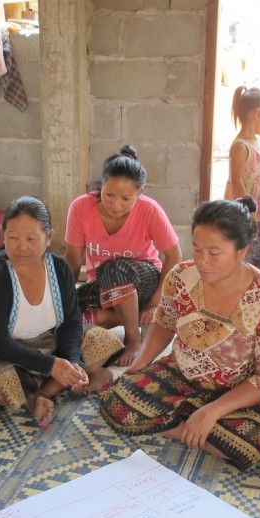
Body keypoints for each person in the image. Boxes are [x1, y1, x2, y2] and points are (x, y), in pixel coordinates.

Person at [100, 198, 260, 470]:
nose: (202, 261)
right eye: (197, 248)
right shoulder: (181, 276)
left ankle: (187, 422)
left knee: (259, 441)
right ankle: (190, 428)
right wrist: (140, 364)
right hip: (180, 375)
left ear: (242, 251)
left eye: (214, 253)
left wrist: (212, 411)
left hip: (235, 392)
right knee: (116, 405)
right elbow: (165, 323)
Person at [0, 196, 124, 427]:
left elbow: (71, 322)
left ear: (49, 237)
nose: (21, 246)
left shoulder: (59, 268)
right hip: (10, 355)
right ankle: (53, 388)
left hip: (52, 343)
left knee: (100, 339)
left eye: (32, 238)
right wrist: (51, 365)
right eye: (12, 237)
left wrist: (72, 361)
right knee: (2, 380)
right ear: (2, 236)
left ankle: (44, 392)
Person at [64, 145, 182, 366]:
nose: (116, 205)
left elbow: (174, 256)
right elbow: (72, 260)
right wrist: (64, 302)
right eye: (109, 195)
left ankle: (133, 337)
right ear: (101, 186)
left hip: (144, 282)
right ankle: (124, 316)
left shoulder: (150, 210)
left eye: (126, 199)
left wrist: (155, 303)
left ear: (140, 194)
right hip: (104, 287)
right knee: (66, 321)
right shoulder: (80, 208)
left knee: (112, 268)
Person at [225, 85, 260, 270]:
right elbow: (236, 181)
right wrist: (248, 212)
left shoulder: (258, 142)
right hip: (247, 211)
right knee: (247, 253)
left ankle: (256, 279)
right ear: (257, 114)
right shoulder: (240, 146)